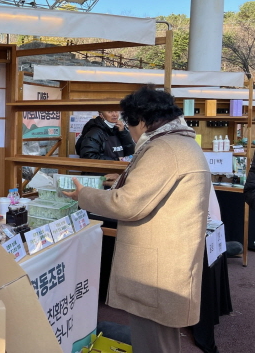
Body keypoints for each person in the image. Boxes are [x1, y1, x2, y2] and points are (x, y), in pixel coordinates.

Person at [64, 86, 210, 353]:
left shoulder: (163, 148)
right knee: (160, 338)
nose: (129, 131)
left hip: (157, 267)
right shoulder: (181, 142)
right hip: (170, 257)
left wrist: (84, 195)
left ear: (141, 121)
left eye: (130, 125)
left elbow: (126, 203)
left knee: (152, 340)